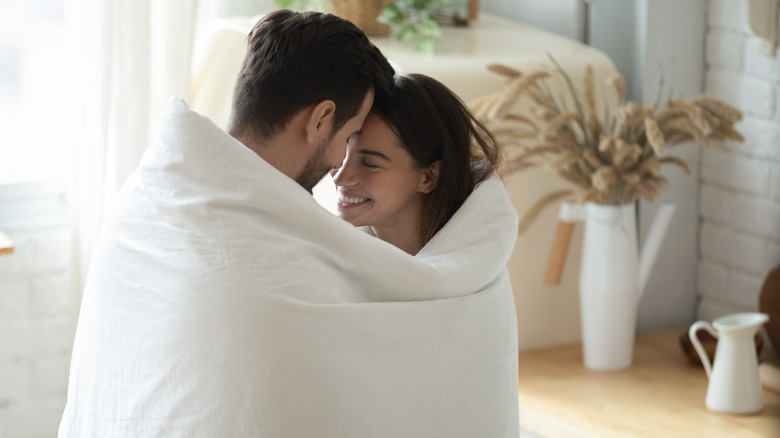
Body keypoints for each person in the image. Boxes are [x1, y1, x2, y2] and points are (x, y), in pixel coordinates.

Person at [59, 10, 520, 438]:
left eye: (369, 158)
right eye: (348, 135)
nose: (342, 166)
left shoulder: (141, 205)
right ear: (320, 119)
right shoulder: (277, 261)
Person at [331, 73, 502, 255]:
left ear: (430, 177)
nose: (340, 177)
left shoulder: (466, 279)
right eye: (340, 153)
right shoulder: (333, 259)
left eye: (370, 164)